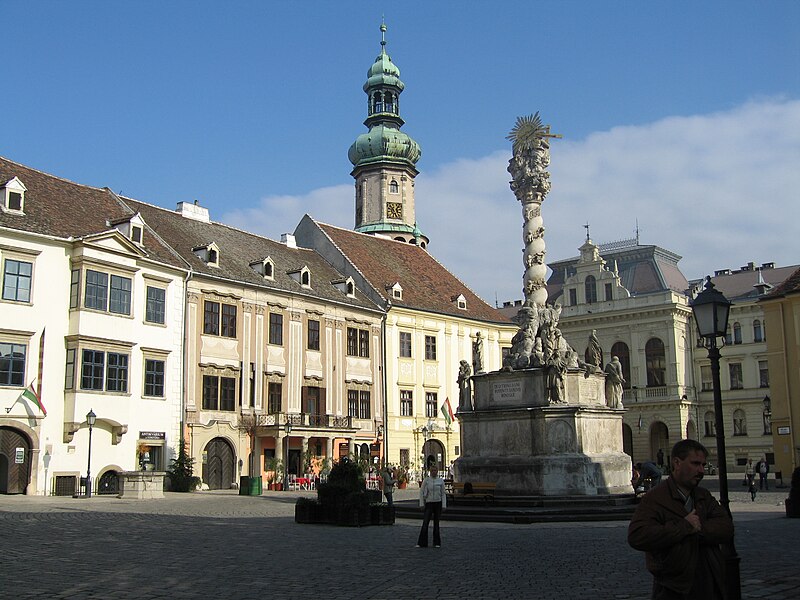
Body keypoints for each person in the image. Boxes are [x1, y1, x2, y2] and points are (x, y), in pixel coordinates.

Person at [628, 439, 733, 600]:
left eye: (703, 465)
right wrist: (684, 527)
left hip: (710, 582)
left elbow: (726, 527)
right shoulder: (656, 498)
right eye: (695, 464)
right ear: (677, 463)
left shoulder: (703, 496)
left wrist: (697, 529)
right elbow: (638, 535)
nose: (701, 470)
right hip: (673, 587)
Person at [417, 465, 447, 548]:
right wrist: (421, 503)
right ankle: (422, 542)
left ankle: (437, 542)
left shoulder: (440, 481)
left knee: (436, 523)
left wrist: (444, 505)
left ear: (437, 471)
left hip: (438, 503)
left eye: (435, 470)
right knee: (425, 523)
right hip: (429, 503)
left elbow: (443, 493)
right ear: (430, 471)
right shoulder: (426, 480)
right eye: (432, 470)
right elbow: (421, 492)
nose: (434, 472)